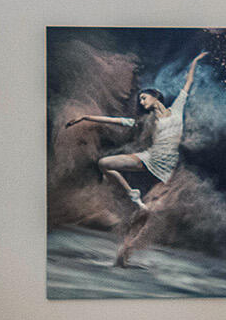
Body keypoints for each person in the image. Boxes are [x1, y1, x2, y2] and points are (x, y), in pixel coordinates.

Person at [65, 51, 206, 218]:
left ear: (155, 97)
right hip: (151, 157)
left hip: (168, 162)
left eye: (144, 98)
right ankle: (134, 196)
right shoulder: (145, 120)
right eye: (140, 99)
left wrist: (195, 60)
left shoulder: (176, 109)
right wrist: (86, 117)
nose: (141, 102)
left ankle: (147, 217)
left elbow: (188, 82)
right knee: (104, 163)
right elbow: (116, 121)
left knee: (167, 201)